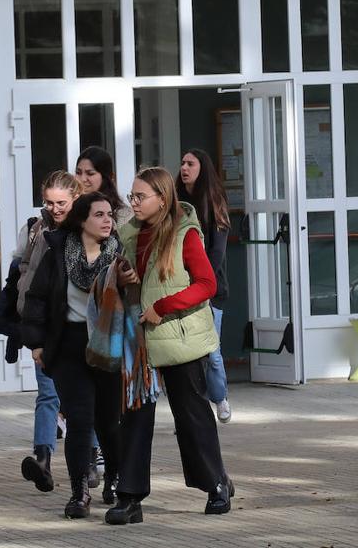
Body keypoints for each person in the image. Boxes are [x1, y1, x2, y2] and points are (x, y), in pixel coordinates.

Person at [106, 167, 233, 525]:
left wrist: (163, 308)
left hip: (179, 336)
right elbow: (128, 280)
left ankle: (216, 484)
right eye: (131, 196)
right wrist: (125, 277)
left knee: (191, 415)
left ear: (162, 198)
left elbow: (206, 284)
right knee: (134, 417)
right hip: (140, 340)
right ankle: (129, 498)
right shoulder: (128, 233)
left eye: (139, 197)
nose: (133, 203)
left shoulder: (184, 233)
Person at [22, 192, 123, 519]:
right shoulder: (58, 251)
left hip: (108, 344)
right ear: (82, 219)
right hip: (69, 344)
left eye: (110, 214)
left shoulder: (119, 255)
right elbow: (36, 299)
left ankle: (115, 479)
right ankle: (80, 492)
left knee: (109, 421)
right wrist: (36, 343)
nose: (107, 220)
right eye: (99, 215)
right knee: (80, 418)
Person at [7, 170, 82, 493]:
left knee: (81, 398)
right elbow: (24, 268)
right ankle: (43, 461)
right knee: (48, 395)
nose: (54, 208)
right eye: (49, 202)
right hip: (45, 327)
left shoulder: (86, 228)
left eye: (61, 202)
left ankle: (90, 461)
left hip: (78, 326)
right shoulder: (37, 229)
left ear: (75, 199)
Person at [176, 149, 233, 423]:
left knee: (211, 351)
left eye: (190, 163)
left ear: (202, 168)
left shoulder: (213, 202)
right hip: (179, 287)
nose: (184, 167)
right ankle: (193, 409)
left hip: (210, 289)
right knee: (186, 353)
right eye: (182, 163)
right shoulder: (175, 202)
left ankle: (220, 397)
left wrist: (201, 282)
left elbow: (216, 253)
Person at [75, 146, 133, 227]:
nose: (82, 179)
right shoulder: (70, 209)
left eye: (90, 173)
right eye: (78, 172)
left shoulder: (123, 215)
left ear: (106, 177)